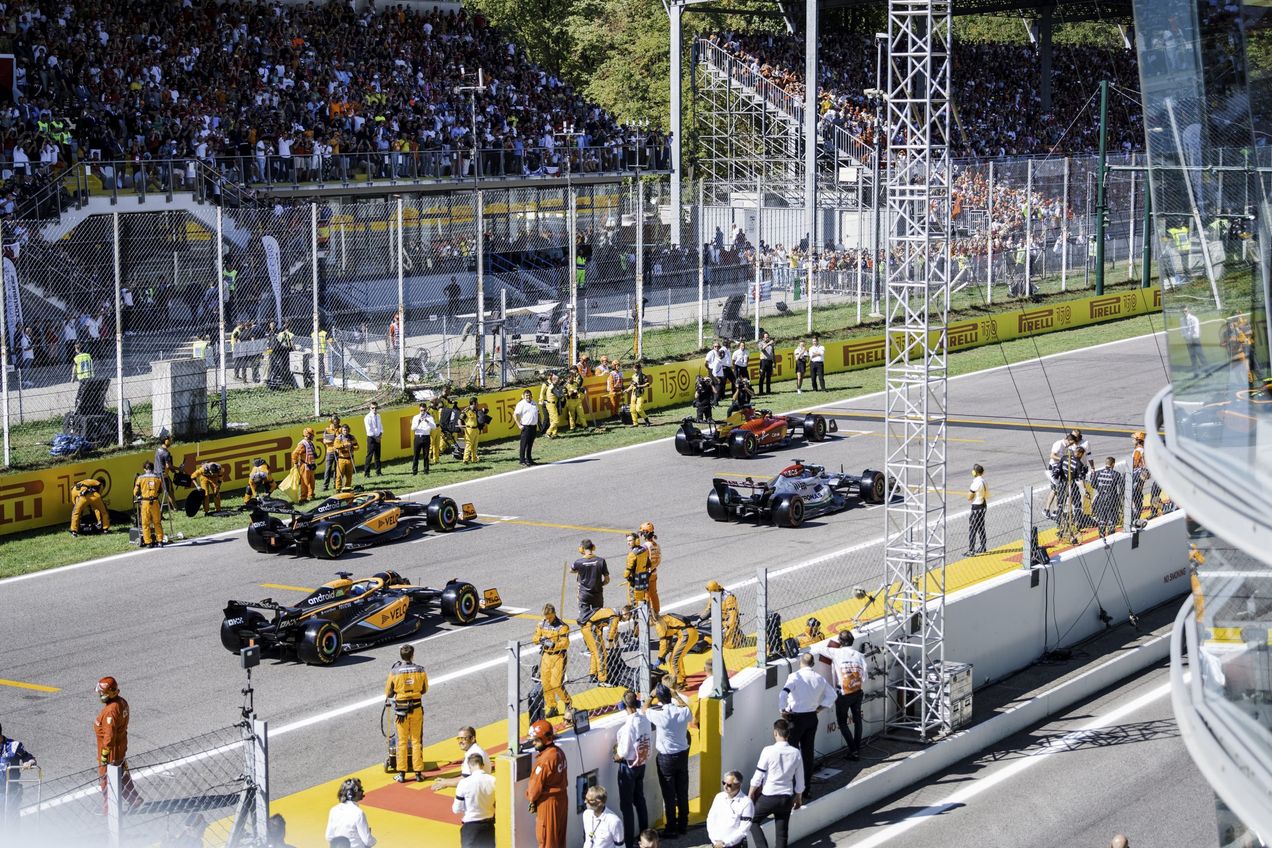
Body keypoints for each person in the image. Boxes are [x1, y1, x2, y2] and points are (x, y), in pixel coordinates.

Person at [779, 652, 833, 801]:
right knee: (807, 755)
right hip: (811, 717)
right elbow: (832, 695)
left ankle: (790, 790)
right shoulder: (819, 678)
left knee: (791, 753)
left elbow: (783, 694)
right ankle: (805, 790)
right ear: (813, 664)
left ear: (800, 663)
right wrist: (820, 708)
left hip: (795, 718)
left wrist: (782, 710)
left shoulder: (794, 677)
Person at [748, 719, 803, 848]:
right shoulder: (796, 752)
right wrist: (798, 797)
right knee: (782, 833)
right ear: (788, 734)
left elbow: (758, 775)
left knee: (751, 820)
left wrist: (751, 793)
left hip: (768, 797)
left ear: (775, 733)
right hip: (786, 798)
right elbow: (800, 779)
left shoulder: (768, 750)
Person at [647, 683, 691, 838]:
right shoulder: (682, 711)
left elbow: (644, 709)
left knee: (669, 794)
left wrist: (650, 696)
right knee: (682, 791)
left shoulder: (660, 715)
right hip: (682, 755)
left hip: (666, 757)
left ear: (659, 698)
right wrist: (676, 695)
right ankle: (683, 824)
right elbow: (687, 708)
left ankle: (671, 827)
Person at [95, 677, 142, 809]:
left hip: (111, 751)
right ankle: (134, 799)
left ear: (110, 693)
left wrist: (105, 754)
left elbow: (109, 736)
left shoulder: (111, 711)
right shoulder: (122, 702)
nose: (100, 695)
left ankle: (109, 809)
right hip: (120, 747)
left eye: (102, 693)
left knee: (105, 780)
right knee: (122, 776)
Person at [384, 644, 428, 783]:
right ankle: (418, 773)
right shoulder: (420, 670)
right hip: (416, 709)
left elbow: (389, 693)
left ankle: (402, 774)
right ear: (412, 655)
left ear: (401, 656)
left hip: (401, 713)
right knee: (416, 741)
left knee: (401, 742)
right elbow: (424, 689)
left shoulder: (394, 672)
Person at [822, 629, 866, 761]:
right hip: (857, 692)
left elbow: (820, 649)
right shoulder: (860, 655)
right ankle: (857, 748)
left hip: (843, 693)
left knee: (842, 722)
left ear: (840, 642)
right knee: (858, 721)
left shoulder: (836, 652)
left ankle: (853, 751)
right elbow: (865, 677)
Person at [614, 691, 651, 847]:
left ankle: (629, 842)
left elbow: (622, 752)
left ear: (624, 705)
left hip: (628, 766)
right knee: (640, 800)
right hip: (641, 764)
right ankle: (645, 836)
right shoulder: (645, 719)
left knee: (626, 806)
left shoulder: (628, 726)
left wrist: (616, 756)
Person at [526, 719, 568, 848]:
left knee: (547, 841)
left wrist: (531, 799)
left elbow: (533, 791)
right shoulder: (558, 752)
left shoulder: (545, 760)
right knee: (559, 840)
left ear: (544, 739)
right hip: (561, 800)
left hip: (548, 804)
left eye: (536, 740)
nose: (533, 743)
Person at [533, 605, 573, 718]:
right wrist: (540, 640)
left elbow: (565, 643)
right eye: (546, 618)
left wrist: (554, 644)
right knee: (546, 683)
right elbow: (535, 637)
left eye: (550, 617)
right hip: (545, 656)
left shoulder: (562, 627)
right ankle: (552, 706)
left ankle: (567, 703)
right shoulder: (541, 624)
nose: (548, 620)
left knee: (556, 684)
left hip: (558, 656)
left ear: (554, 614)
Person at [452, 752, 496, 848]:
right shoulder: (493, 780)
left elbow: (456, 809)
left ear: (469, 766)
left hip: (471, 826)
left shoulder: (464, 783)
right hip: (488, 826)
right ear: (482, 765)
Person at [1, 722, 37, 831]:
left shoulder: (14, 746)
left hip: (10, 792)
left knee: (10, 822)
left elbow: (29, 758)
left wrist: (29, 763)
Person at [580, 605, 627, 686]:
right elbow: (612, 630)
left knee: (594, 653)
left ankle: (593, 675)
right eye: (628, 618)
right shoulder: (615, 616)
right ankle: (602, 680)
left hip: (588, 628)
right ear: (626, 614)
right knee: (601, 655)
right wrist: (610, 642)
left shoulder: (612, 610)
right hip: (591, 629)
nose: (626, 620)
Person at [707, 770, 754, 848]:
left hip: (733, 845)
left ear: (738, 785)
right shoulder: (719, 797)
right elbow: (711, 819)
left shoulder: (747, 803)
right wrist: (714, 839)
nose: (725, 786)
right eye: (723, 783)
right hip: (716, 844)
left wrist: (725, 843)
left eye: (729, 785)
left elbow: (744, 829)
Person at [325, 778, 376, 848]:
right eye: (359, 790)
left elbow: (329, 836)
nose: (362, 791)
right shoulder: (358, 813)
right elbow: (367, 841)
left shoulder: (333, 810)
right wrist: (374, 840)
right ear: (351, 794)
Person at [654, 612, 700, 689]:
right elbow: (668, 638)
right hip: (691, 632)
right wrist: (664, 654)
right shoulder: (665, 617)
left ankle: (679, 683)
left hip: (686, 635)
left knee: (673, 660)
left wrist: (660, 657)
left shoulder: (659, 625)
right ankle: (681, 675)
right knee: (677, 657)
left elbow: (664, 642)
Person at [572, 539, 610, 623]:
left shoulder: (578, 562)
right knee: (599, 618)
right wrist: (599, 584)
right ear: (593, 547)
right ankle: (598, 635)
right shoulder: (601, 561)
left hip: (584, 594)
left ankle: (587, 634)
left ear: (582, 548)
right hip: (597, 594)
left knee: (584, 618)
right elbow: (607, 580)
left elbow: (572, 570)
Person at [1090, 456, 1125, 536]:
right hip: (1112, 498)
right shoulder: (1116, 474)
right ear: (1113, 464)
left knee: (1101, 518)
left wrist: (1100, 487)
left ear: (1105, 463)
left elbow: (1093, 485)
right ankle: (1111, 536)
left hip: (1100, 498)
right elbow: (1122, 487)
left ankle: (1101, 536)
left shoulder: (1097, 473)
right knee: (1111, 519)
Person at [134, 461, 165, 548]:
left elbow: (135, 491)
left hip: (145, 502)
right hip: (155, 502)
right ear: (152, 468)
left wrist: (139, 496)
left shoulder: (140, 478)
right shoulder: (157, 478)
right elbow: (160, 491)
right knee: (157, 522)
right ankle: (160, 541)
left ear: (144, 469)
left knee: (145, 523)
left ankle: (148, 542)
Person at [625, 532, 652, 607]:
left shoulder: (632, 554)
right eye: (627, 541)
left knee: (634, 600)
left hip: (634, 581)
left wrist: (627, 577)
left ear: (636, 540)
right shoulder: (644, 550)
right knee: (643, 598)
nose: (628, 543)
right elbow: (649, 564)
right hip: (643, 579)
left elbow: (627, 571)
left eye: (630, 541)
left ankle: (636, 616)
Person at [639, 523, 661, 615]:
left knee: (646, 595)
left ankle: (647, 615)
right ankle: (656, 612)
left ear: (645, 533)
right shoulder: (656, 545)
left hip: (646, 574)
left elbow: (642, 560)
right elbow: (659, 559)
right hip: (654, 572)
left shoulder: (645, 546)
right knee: (654, 594)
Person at [291, 428, 317, 502]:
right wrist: (295, 463)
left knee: (312, 482)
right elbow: (294, 454)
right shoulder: (302, 444)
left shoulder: (310, 443)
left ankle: (311, 495)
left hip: (311, 465)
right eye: (311, 435)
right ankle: (303, 498)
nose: (313, 436)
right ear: (307, 434)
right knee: (305, 483)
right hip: (304, 466)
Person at [515, 389, 540, 466]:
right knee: (524, 444)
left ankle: (529, 459)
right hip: (526, 427)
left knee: (530, 444)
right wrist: (519, 425)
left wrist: (539, 423)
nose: (528, 397)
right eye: (526, 395)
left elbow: (538, 413)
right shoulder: (521, 404)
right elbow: (515, 415)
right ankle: (522, 460)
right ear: (523, 396)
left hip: (533, 427)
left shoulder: (534, 403)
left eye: (529, 395)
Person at [967, 463, 988, 555]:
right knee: (981, 527)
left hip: (976, 506)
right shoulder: (984, 481)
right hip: (983, 504)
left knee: (972, 528)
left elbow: (969, 497)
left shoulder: (976, 482)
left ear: (974, 472)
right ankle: (983, 546)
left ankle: (971, 550)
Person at [410, 402, 435, 474]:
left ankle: (426, 470)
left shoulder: (429, 417)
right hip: (418, 437)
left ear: (426, 410)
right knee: (416, 455)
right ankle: (415, 471)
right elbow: (412, 428)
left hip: (426, 437)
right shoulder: (415, 417)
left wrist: (427, 421)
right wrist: (418, 422)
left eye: (424, 410)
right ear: (419, 409)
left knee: (426, 455)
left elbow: (434, 427)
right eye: (421, 410)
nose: (422, 412)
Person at [1181, 307, 1206, 372]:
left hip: (1195, 340)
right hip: (1188, 341)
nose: (1184, 313)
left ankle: (1206, 369)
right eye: (1182, 311)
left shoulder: (1194, 319)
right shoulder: (1182, 320)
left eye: (1185, 311)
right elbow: (1183, 331)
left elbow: (1196, 331)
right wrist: (1186, 339)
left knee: (1200, 354)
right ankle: (1196, 370)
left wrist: (1191, 339)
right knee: (1192, 356)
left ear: (1188, 311)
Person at [333, 424, 358, 490]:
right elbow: (336, 446)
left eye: (347, 430)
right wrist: (344, 445)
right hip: (341, 459)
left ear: (349, 430)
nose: (345, 431)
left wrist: (352, 446)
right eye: (344, 430)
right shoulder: (338, 438)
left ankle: (347, 488)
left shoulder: (352, 437)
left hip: (350, 459)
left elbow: (357, 447)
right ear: (341, 430)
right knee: (339, 475)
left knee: (349, 475)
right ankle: (338, 489)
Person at [322, 414, 342, 491]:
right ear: (331, 421)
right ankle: (325, 486)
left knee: (337, 469)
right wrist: (332, 441)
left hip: (338, 451)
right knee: (328, 469)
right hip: (330, 451)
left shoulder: (340, 429)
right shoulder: (327, 429)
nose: (335, 421)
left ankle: (336, 484)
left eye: (337, 420)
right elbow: (324, 441)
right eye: (334, 420)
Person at [539, 372, 563, 438]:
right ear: (554, 380)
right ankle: (548, 432)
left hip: (551, 404)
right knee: (556, 420)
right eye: (558, 380)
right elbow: (559, 396)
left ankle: (554, 433)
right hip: (551, 404)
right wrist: (561, 388)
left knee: (552, 420)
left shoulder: (552, 386)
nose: (559, 381)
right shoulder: (552, 387)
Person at [363, 402, 384, 477]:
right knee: (369, 456)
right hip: (371, 438)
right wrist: (376, 438)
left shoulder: (378, 416)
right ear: (370, 408)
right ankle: (367, 473)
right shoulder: (367, 417)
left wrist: (380, 435)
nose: (374, 409)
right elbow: (369, 430)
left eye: (376, 408)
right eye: (373, 408)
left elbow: (381, 427)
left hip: (378, 437)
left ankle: (378, 472)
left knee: (378, 456)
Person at [462, 398, 482, 464]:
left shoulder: (475, 410)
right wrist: (462, 428)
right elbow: (460, 419)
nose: (478, 404)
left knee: (475, 445)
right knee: (469, 444)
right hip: (469, 429)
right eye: (477, 402)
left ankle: (474, 459)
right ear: (473, 403)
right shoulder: (466, 410)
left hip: (476, 429)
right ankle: (465, 459)